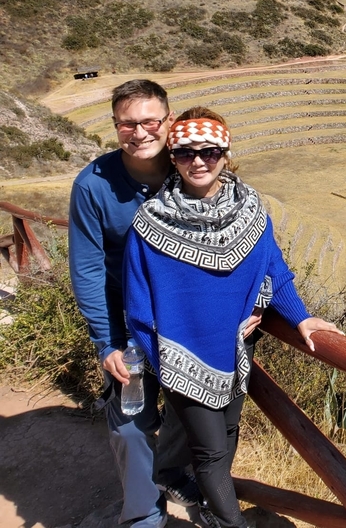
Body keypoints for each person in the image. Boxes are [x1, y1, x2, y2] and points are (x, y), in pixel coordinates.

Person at [123, 106, 343, 528]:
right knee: (208, 455)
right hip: (182, 357)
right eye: (186, 152)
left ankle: (204, 504)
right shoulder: (149, 222)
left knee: (225, 440)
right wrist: (166, 362)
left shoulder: (250, 209)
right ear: (173, 156)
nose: (198, 161)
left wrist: (300, 317)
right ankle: (230, 523)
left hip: (236, 349)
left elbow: (273, 268)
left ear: (225, 153)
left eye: (208, 151)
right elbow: (138, 306)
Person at [69, 79, 201, 527]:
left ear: (168, 121)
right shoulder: (93, 185)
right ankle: (143, 517)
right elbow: (87, 270)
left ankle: (171, 471)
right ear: (114, 126)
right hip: (127, 327)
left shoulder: (191, 167)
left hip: (188, 322)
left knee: (194, 411)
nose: (140, 132)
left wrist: (261, 300)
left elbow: (242, 236)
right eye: (128, 123)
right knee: (129, 425)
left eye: (150, 121)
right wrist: (107, 343)